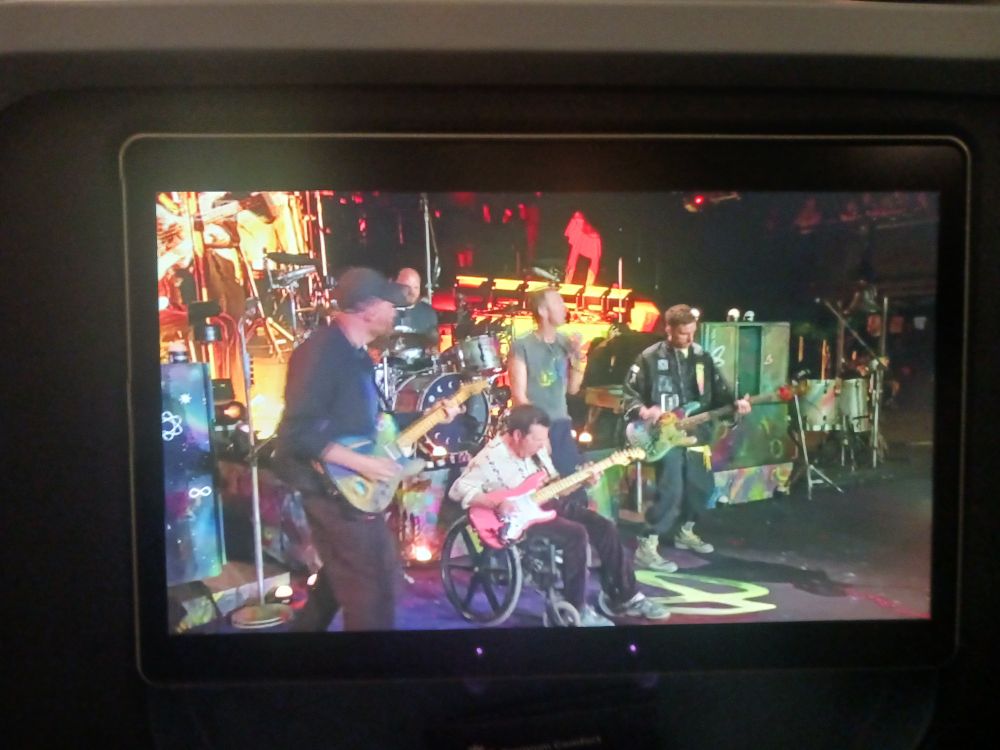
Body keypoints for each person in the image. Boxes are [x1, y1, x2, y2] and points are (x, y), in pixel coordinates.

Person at [273, 267, 458, 631]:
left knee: (343, 577)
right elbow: (296, 432)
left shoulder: (356, 355)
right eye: (390, 305)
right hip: (330, 489)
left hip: (347, 485)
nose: (395, 313)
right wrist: (363, 464)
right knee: (374, 588)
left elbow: (371, 426)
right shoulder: (321, 352)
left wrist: (429, 416)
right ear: (369, 307)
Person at [449, 405, 670, 625]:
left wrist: (583, 480)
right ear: (517, 435)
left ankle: (625, 595)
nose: (541, 445)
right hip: (517, 518)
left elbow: (556, 487)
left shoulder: (538, 451)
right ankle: (575, 607)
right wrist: (496, 503)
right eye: (537, 440)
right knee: (575, 534)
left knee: (604, 526)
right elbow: (458, 489)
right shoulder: (490, 456)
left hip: (546, 503)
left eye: (544, 439)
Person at [622, 304, 752, 572]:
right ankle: (647, 544)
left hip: (696, 434)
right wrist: (646, 411)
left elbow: (720, 394)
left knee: (701, 488)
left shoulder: (702, 357)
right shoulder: (648, 358)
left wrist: (737, 404)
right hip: (664, 435)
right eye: (683, 333)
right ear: (668, 330)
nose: (690, 338)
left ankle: (685, 531)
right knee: (671, 489)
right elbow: (629, 394)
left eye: (693, 332)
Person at [508, 286, 586, 479]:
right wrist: (539, 432)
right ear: (543, 311)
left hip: (561, 423)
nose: (564, 307)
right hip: (534, 428)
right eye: (558, 303)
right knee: (542, 485)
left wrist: (578, 357)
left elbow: (573, 389)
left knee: (573, 484)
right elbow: (519, 396)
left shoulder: (564, 342)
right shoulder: (522, 345)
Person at [393, 267, 440, 345]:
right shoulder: (380, 310)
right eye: (407, 287)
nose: (412, 292)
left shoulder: (428, 313)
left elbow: (433, 343)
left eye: (416, 287)